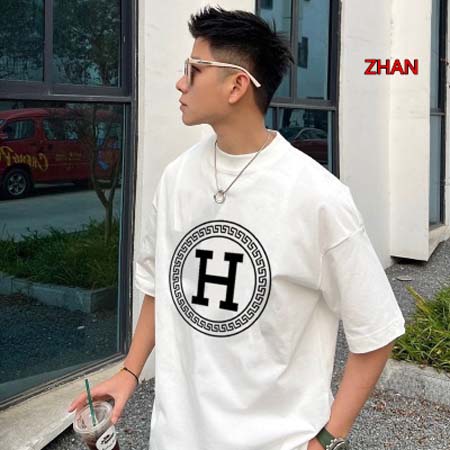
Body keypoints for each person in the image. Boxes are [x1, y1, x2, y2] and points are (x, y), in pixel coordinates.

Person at [68, 7, 405, 450]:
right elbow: (158, 288)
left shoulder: (319, 197)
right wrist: (130, 371)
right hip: (175, 437)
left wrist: (326, 441)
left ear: (237, 85)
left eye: (194, 69)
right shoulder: (176, 179)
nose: (180, 83)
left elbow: (376, 332)